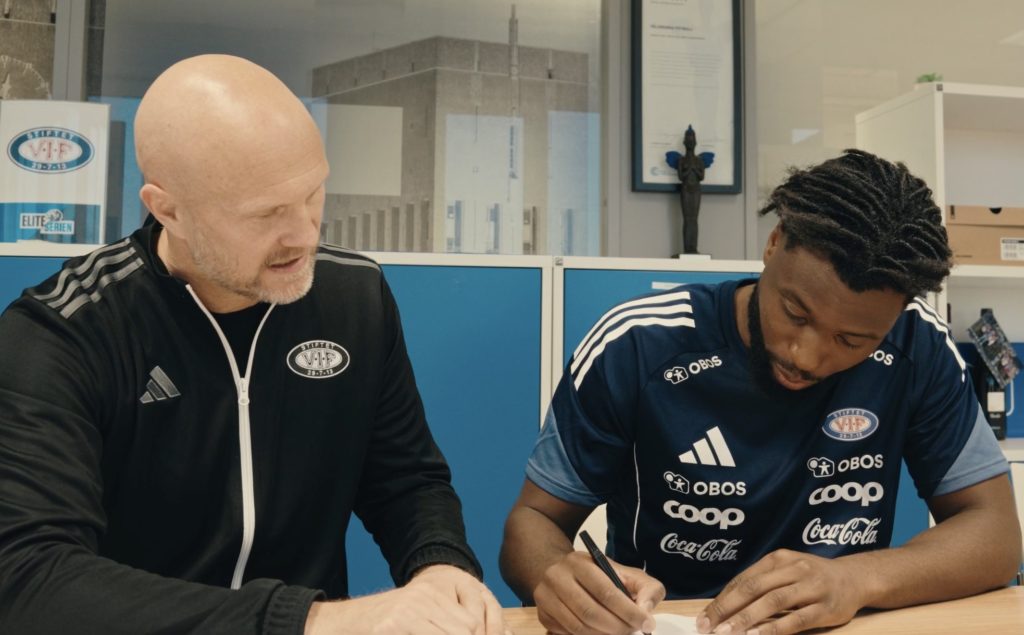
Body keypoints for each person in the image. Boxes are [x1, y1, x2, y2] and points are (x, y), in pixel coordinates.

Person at [0, 55, 505, 635]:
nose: (304, 235)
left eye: (313, 193)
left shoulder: (355, 299)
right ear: (168, 209)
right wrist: (307, 622)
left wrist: (438, 566)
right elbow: (29, 580)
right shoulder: (64, 333)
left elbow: (406, 480)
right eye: (265, 213)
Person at [499, 149, 1022, 635]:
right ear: (774, 244)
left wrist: (858, 579)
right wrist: (557, 575)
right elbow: (533, 521)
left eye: (851, 341)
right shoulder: (638, 344)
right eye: (795, 313)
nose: (806, 356)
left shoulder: (917, 346)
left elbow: (996, 533)